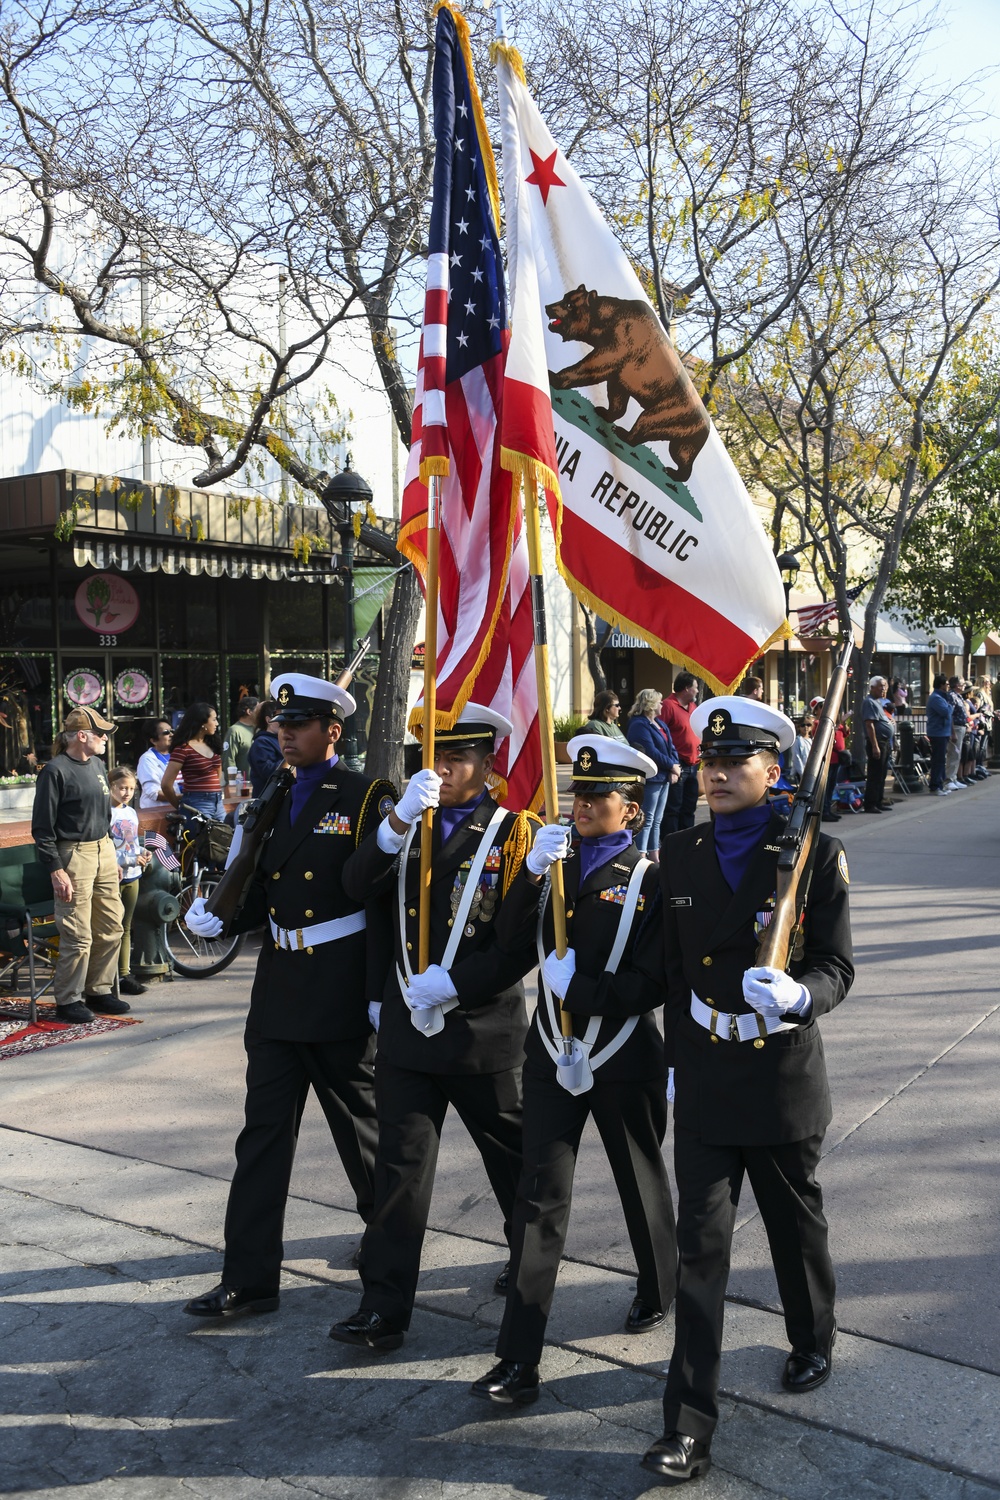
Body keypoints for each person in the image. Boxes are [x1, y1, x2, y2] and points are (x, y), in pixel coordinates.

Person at [627, 697, 853, 1485]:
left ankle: (811, 1336)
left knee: (794, 1225)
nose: (716, 774)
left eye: (734, 763)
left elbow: (836, 965)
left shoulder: (813, 854)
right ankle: (687, 1424)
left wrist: (799, 998)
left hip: (782, 1075)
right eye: (708, 763)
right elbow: (671, 968)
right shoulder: (680, 852)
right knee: (701, 1251)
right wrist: (663, 1055)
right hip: (709, 1079)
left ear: (773, 771)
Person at [181, 672, 397, 1321]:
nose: (285, 734)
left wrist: (379, 991)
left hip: (336, 991)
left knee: (362, 1137)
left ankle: (389, 1252)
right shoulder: (273, 792)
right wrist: (226, 915)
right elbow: (264, 890)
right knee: (262, 1140)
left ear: (332, 731)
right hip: (277, 989)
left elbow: (380, 902)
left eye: (298, 725)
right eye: (281, 724)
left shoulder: (365, 797)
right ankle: (248, 1279)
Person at [470, 736, 677, 1409]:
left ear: (633, 810)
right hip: (552, 1050)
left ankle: (658, 1284)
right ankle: (518, 1358)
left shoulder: (650, 879)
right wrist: (529, 873)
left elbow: (655, 981)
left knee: (639, 1180)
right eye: (578, 793)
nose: (583, 804)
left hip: (622, 1053)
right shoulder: (551, 866)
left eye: (599, 796)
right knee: (537, 1200)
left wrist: (582, 989)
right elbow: (505, 943)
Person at [330, 704, 538, 1353]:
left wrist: (460, 983)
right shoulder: (405, 821)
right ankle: (384, 1307)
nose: (442, 768)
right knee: (398, 1173)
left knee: (515, 1165)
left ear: (488, 762)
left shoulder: (513, 834)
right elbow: (357, 891)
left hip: (480, 1030)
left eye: (458, 758)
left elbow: (520, 940)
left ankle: (530, 1271)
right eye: (433, 756)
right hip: (407, 1033)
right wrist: (391, 827)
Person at [30, 707, 126, 1025]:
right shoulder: (54, 771)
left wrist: (110, 853)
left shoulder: (98, 765)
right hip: (73, 855)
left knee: (112, 925)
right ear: (82, 736)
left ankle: (98, 990)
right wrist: (56, 869)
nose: (105, 740)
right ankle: (68, 999)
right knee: (77, 933)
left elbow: (103, 813)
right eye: (101, 734)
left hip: (102, 849)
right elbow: (42, 828)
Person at [108, 765, 150, 997]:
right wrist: (130, 858)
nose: (127, 793)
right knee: (110, 928)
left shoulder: (131, 812)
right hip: (113, 875)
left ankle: (124, 973)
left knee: (126, 927)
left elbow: (131, 842)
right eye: (122, 788)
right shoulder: (106, 812)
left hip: (133, 874)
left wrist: (142, 852)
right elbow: (105, 849)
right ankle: (107, 974)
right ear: (111, 786)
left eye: (131, 789)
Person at [626, 689, 678, 856]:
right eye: (659, 702)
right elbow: (650, 751)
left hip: (664, 777)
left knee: (657, 819)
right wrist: (671, 766)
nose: (662, 704)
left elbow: (671, 746)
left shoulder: (659, 723)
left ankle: (654, 854)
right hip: (652, 777)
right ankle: (641, 854)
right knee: (647, 819)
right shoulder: (638, 724)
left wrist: (675, 765)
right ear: (651, 704)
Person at [161, 703, 224, 826]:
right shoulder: (183, 748)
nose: (217, 723)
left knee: (226, 840)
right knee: (203, 842)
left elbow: (218, 775)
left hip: (218, 802)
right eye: (214, 719)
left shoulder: (212, 744)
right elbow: (166, 784)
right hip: (197, 802)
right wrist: (179, 805)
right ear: (202, 723)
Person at [659, 672, 701, 838]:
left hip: (693, 764)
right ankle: (671, 842)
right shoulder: (668, 706)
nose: (697, 691)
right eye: (695, 688)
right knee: (673, 808)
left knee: (689, 806)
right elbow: (660, 735)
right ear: (686, 689)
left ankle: (687, 840)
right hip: (678, 765)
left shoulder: (693, 707)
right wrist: (670, 764)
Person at [861, 676, 894, 814]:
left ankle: (879, 801)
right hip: (877, 741)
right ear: (872, 687)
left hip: (885, 741)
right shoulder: (869, 702)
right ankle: (870, 804)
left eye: (885, 686)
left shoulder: (877, 702)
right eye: (881, 686)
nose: (884, 689)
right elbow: (870, 725)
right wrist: (875, 745)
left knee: (881, 774)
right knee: (875, 774)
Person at [136, 721, 177, 810]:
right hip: (160, 813)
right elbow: (154, 793)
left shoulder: (178, 755)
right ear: (154, 740)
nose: (171, 735)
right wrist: (183, 797)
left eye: (172, 731)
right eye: (166, 732)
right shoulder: (147, 759)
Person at [926, 673, 954, 795]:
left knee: (941, 759)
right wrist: (950, 706)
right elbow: (945, 712)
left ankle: (940, 784)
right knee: (938, 760)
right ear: (941, 685)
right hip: (938, 733)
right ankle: (935, 786)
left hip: (943, 732)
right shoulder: (936, 698)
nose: (948, 686)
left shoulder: (942, 697)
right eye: (946, 684)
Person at [248, 699, 282, 792]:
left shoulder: (280, 739)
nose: (284, 721)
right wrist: (291, 759)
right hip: (268, 800)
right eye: (280, 717)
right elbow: (268, 772)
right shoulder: (261, 742)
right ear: (269, 720)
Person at [222, 696, 259, 781]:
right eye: (258, 710)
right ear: (249, 711)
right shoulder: (234, 731)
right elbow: (229, 759)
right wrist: (232, 782)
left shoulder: (259, 729)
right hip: (242, 785)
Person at [945, 676, 968, 791]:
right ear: (957, 685)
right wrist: (952, 732)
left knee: (957, 754)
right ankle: (949, 779)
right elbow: (950, 715)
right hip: (956, 728)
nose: (964, 685)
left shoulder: (958, 696)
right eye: (963, 683)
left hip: (961, 727)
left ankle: (953, 778)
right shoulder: (951, 696)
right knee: (953, 753)